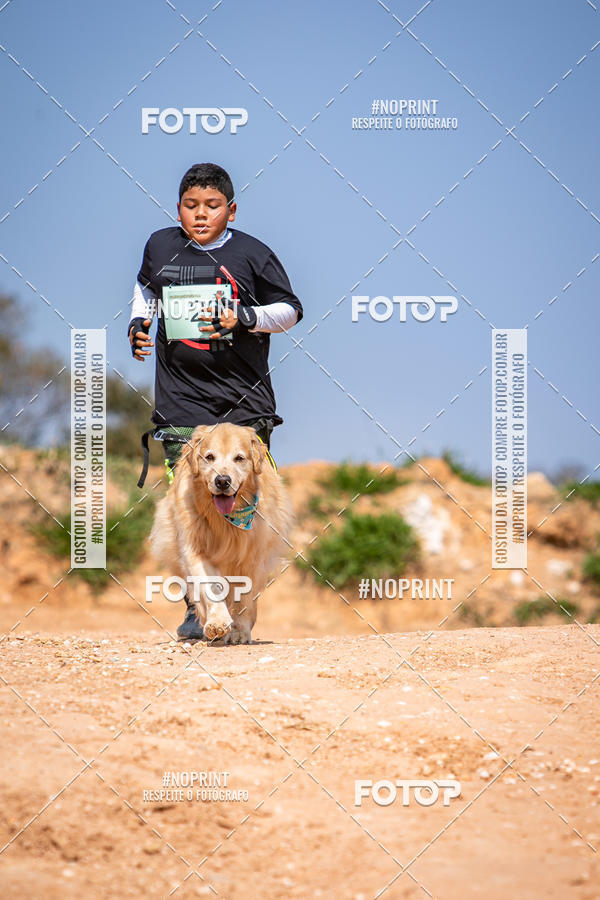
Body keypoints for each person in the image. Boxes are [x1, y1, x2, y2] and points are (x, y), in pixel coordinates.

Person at [127, 162, 303, 639]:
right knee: (189, 508)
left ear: (232, 210)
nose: (200, 215)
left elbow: (290, 310)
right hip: (181, 403)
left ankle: (241, 607)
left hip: (245, 405)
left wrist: (242, 317)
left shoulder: (253, 254)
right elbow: (146, 288)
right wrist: (138, 326)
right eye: (190, 206)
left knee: (243, 510)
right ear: (177, 208)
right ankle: (198, 606)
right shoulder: (161, 246)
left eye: (212, 206)